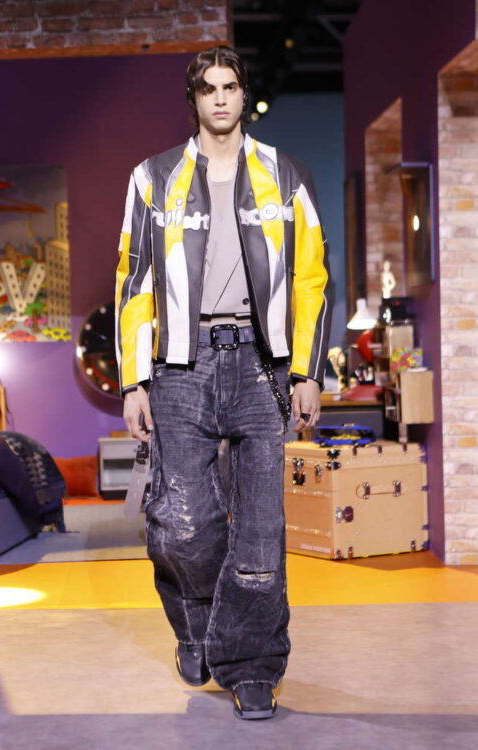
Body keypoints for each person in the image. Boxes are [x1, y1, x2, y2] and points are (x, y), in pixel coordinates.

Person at [115, 45, 333, 720]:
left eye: (230, 86)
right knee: (181, 526)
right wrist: (133, 382)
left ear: (243, 95)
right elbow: (133, 283)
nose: (219, 97)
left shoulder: (285, 175)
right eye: (207, 87)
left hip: (262, 369)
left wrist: (307, 370)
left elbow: (311, 279)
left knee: (260, 533)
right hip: (181, 367)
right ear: (194, 99)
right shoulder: (153, 178)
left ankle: (253, 668)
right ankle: (199, 628)